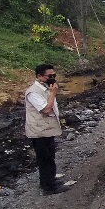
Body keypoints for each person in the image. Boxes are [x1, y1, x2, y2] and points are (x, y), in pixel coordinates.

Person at [25, 64, 68, 195]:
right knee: (45, 159)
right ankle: (48, 187)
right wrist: (53, 93)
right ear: (39, 76)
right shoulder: (33, 92)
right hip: (39, 130)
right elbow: (46, 109)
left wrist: (52, 91)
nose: (53, 78)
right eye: (50, 76)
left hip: (46, 128)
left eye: (54, 75)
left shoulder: (45, 88)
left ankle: (49, 180)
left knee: (50, 155)